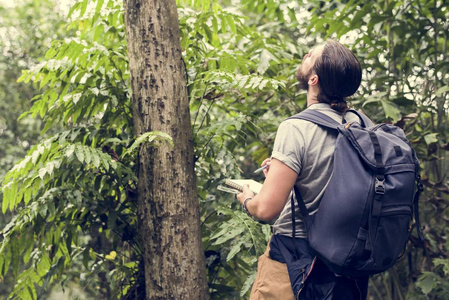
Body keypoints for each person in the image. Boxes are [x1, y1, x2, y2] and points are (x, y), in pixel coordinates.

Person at [237, 40, 369, 299]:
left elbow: (266, 209)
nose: (306, 54)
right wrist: (283, 174)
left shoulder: (296, 127)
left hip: (294, 260)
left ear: (314, 80)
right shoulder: (362, 124)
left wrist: (247, 200)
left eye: (312, 55)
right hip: (348, 264)